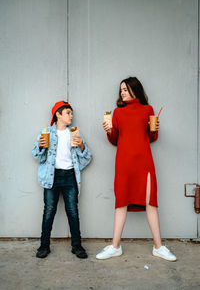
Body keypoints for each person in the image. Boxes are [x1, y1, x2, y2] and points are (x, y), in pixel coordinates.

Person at [96, 77, 176, 261]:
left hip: (144, 163)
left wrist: (154, 129)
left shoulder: (148, 110)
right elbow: (115, 139)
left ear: (134, 89)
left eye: (125, 89)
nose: (122, 92)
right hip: (124, 164)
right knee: (121, 203)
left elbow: (152, 137)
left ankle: (159, 247)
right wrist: (109, 130)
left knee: (151, 203)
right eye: (121, 90)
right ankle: (115, 246)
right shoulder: (117, 112)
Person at [32, 101, 92, 259]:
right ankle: (44, 246)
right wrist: (40, 146)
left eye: (72, 113)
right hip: (52, 177)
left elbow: (87, 159)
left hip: (70, 176)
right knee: (49, 212)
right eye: (68, 113)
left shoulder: (74, 133)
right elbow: (37, 156)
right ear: (58, 115)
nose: (71, 116)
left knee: (72, 212)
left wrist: (81, 147)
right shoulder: (46, 132)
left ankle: (76, 246)